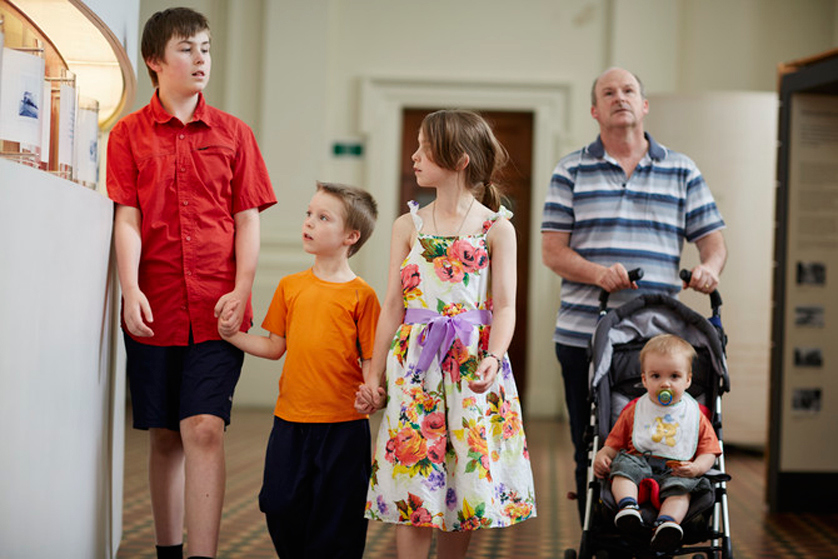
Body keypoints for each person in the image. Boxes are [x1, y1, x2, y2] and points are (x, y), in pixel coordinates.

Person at [107, 8, 276, 559]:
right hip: (153, 306)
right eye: (187, 48)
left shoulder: (235, 133)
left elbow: (248, 218)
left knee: (203, 426)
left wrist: (242, 285)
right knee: (164, 435)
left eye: (206, 47)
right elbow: (127, 218)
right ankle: (168, 552)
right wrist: (130, 289)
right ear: (155, 61)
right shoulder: (128, 134)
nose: (201, 58)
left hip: (218, 306)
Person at [540, 67, 727, 522]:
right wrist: (599, 273)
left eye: (629, 91)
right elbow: (552, 250)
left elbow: (713, 241)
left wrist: (708, 269)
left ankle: (665, 516)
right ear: (594, 110)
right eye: (608, 92)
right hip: (583, 328)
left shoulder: (681, 168)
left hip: (657, 333)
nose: (619, 98)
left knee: (671, 428)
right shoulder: (571, 169)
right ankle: (603, 522)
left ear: (644, 105)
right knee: (591, 435)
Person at [356, 109, 536, 559]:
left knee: (462, 481)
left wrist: (493, 358)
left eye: (425, 147)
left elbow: (507, 305)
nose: (414, 156)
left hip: (471, 363)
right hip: (415, 368)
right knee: (413, 477)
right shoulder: (406, 225)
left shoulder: (498, 228)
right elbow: (393, 305)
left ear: (458, 159)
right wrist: (374, 375)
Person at [218, 182, 380, 558]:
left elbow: (372, 357)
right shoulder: (290, 287)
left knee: (339, 516)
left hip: (343, 426)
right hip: (290, 422)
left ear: (350, 236)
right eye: (309, 213)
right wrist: (232, 335)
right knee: (279, 504)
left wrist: (374, 390)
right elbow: (275, 347)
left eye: (323, 218)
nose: (308, 222)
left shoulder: (362, 296)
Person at [593, 334, 721, 552]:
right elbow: (614, 443)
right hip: (639, 464)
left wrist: (697, 468)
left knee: (682, 491)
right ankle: (628, 508)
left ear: (688, 380)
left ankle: (668, 524)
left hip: (677, 470)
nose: (665, 383)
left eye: (674, 376)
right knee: (622, 467)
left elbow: (710, 450)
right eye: (656, 376)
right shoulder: (635, 409)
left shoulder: (694, 415)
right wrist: (603, 454)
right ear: (644, 380)